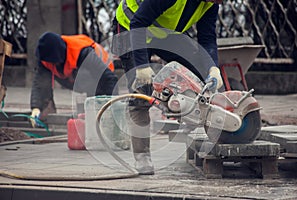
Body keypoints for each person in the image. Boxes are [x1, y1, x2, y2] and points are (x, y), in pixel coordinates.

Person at [112, 0, 224, 175]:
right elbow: (138, 23)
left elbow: (207, 38)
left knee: (200, 71)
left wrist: (213, 68)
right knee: (142, 91)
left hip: (163, 33)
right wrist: (141, 67)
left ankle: (190, 116)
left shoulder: (211, 3)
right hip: (131, 27)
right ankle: (142, 156)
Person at [30, 32, 119, 127]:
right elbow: (39, 82)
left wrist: (110, 109)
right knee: (44, 78)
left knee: (86, 78)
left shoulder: (82, 52)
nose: (49, 64)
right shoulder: (45, 55)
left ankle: (95, 110)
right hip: (74, 76)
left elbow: (110, 79)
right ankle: (46, 113)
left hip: (101, 78)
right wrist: (36, 107)